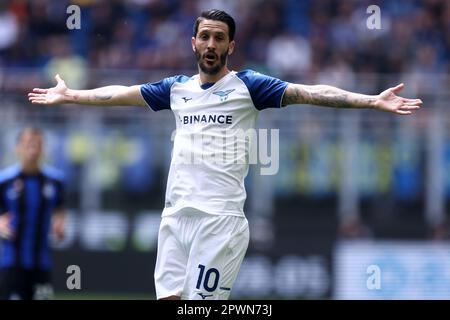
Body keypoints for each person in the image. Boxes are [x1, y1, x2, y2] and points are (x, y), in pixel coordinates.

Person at [27, 9, 422, 300]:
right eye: (205, 37)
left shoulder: (248, 87)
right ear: (193, 42)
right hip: (175, 217)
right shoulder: (176, 89)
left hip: (220, 222)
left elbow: (310, 92)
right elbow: (119, 93)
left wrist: (371, 101)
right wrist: (72, 95)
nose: (211, 45)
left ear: (231, 45)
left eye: (219, 38)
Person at [0, 127, 66, 300]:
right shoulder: (4, 181)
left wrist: (60, 226)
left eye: (38, 145)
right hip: (11, 263)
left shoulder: (55, 181)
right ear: (18, 148)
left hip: (41, 264)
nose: (33, 149)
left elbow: (60, 212)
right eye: (29, 144)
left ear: (43, 149)